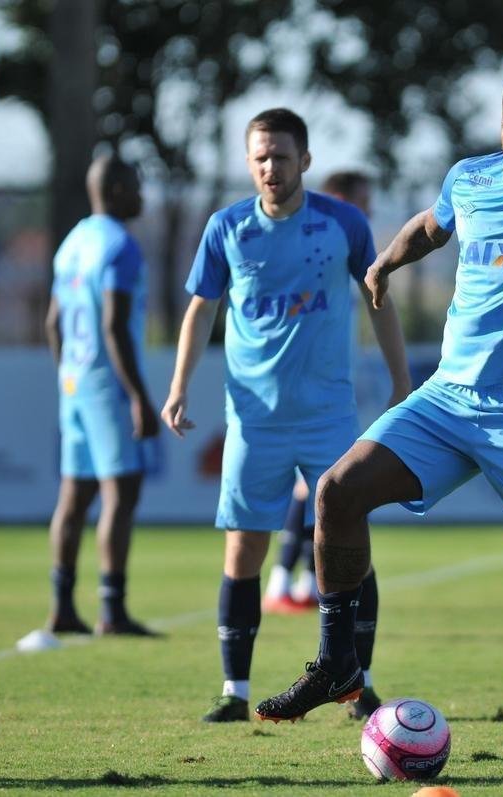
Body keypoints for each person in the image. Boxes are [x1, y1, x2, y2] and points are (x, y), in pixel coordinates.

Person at [254, 64, 503, 722]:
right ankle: (337, 662)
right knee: (337, 492)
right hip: (447, 399)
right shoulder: (471, 178)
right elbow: (432, 226)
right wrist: (384, 262)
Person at [161, 109, 410, 723]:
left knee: (350, 548)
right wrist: (179, 386)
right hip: (254, 421)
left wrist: (403, 382)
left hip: (328, 417)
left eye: (281, 155)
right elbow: (201, 311)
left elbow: (378, 299)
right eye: (260, 157)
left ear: (306, 160)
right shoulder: (227, 228)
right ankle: (234, 694)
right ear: (249, 164)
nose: (271, 167)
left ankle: (361, 683)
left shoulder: (343, 224)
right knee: (244, 549)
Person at [260, 167, 387, 719]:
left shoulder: (344, 247)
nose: (368, 211)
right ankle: (287, 579)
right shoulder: (313, 238)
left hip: (331, 399)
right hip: (296, 405)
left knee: (333, 509)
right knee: (322, 501)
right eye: (361, 201)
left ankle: (353, 671)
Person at [43, 154, 159, 638]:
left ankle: (63, 606)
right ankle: (112, 610)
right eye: (134, 185)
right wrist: (138, 396)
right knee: (121, 491)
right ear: (114, 190)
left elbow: (53, 323)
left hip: (73, 381)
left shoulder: (73, 243)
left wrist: (67, 375)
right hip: (106, 385)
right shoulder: (120, 247)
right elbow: (114, 325)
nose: (142, 195)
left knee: (74, 495)